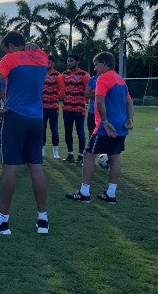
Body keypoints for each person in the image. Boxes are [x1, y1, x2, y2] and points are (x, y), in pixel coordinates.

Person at [0, 31, 49, 235]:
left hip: (15, 117)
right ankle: (43, 220)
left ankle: (2, 222)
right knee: (35, 167)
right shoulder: (42, 56)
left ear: (10, 46)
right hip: (37, 118)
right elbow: (36, 49)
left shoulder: (10, 58)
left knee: (10, 168)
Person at [66, 52, 133, 203]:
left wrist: (104, 121)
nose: (95, 68)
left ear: (103, 63)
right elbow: (129, 103)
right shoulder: (120, 80)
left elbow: (99, 101)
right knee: (114, 158)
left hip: (107, 127)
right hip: (121, 126)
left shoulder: (103, 78)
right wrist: (129, 119)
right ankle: (111, 194)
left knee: (88, 155)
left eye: (96, 65)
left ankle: (84, 193)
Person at [60, 54, 90, 164]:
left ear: (77, 62)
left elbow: (88, 91)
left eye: (71, 61)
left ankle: (81, 156)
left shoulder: (84, 75)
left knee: (80, 132)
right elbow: (62, 90)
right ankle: (70, 154)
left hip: (79, 109)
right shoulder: (64, 74)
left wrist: (84, 102)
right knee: (68, 132)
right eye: (68, 61)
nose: (69, 63)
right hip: (67, 108)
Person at [42, 55, 64, 159]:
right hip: (42, 107)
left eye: (49, 63)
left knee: (54, 129)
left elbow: (62, 91)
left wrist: (53, 96)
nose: (47, 64)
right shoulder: (41, 73)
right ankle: (41, 149)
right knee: (42, 129)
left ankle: (56, 151)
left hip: (53, 106)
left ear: (53, 64)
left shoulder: (58, 75)